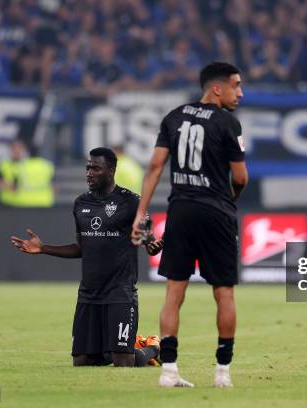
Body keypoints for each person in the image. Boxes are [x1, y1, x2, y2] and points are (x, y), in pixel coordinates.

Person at [132, 61, 249, 388]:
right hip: (216, 212)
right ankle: (222, 373)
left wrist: (141, 213)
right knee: (223, 292)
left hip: (180, 210)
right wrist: (230, 199)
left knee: (173, 292)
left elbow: (155, 166)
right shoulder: (229, 123)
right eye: (235, 85)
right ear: (217, 88)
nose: (240, 92)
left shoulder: (174, 117)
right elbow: (240, 177)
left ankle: (169, 371)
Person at [10, 147, 163, 367]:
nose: (89, 173)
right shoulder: (81, 203)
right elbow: (82, 248)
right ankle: (119, 347)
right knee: (82, 362)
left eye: (96, 168)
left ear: (111, 171)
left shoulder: (131, 202)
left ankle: (154, 347)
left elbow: (146, 233)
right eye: (88, 168)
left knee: (123, 362)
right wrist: (44, 248)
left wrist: (150, 244)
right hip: (89, 294)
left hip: (120, 293)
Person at [0, 139, 26, 206]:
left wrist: (8, 185)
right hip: (6, 203)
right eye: (14, 148)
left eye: (19, 148)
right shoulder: (3, 165)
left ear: (23, 150)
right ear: (10, 150)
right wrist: (12, 186)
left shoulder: (28, 166)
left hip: (23, 203)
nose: (17, 151)